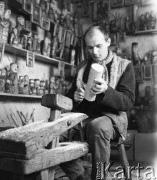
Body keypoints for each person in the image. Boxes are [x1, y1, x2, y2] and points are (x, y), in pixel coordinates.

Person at [59, 25, 135, 180]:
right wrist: (74, 96)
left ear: (108, 41)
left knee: (97, 126)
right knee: (53, 133)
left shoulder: (124, 65)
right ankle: (81, 177)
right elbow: (68, 98)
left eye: (98, 46)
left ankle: (99, 177)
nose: (94, 52)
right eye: (90, 48)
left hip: (112, 120)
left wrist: (106, 90)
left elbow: (127, 102)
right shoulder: (82, 67)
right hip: (83, 119)